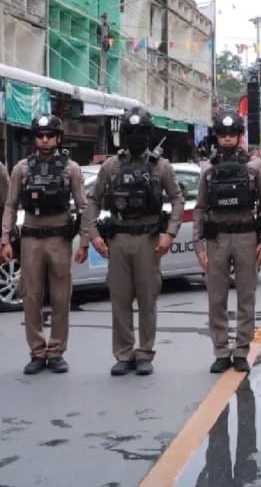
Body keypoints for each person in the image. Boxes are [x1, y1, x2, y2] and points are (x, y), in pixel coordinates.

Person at [85, 107, 184, 376]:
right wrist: (92, 235)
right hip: (118, 239)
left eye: (141, 132)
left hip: (149, 240)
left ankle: (145, 353)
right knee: (119, 298)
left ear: (149, 134)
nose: (136, 137)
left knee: (147, 299)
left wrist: (169, 233)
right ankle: (124, 353)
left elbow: (177, 199)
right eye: (131, 132)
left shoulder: (160, 166)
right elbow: (92, 200)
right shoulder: (111, 166)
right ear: (123, 135)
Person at [1, 115, 88, 375]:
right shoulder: (22, 169)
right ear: (35, 139)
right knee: (31, 297)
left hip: (59, 239)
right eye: (40, 135)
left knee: (61, 298)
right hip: (30, 240)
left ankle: (57, 350)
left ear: (58, 138)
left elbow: (83, 206)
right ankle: (37, 352)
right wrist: (5, 238)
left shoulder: (71, 168)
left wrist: (84, 242)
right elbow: (10, 205)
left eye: (50, 135)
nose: (45, 139)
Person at [194, 109, 261, 374]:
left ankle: (241, 350)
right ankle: (221, 351)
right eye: (223, 134)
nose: (227, 139)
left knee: (246, 296)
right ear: (217, 137)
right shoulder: (207, 167)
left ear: (239, 136)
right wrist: (197, 244)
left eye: (232, 134)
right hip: (216, 239)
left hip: (246, 237)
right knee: (216, 297)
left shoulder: (255, 165)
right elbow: (200, 207)